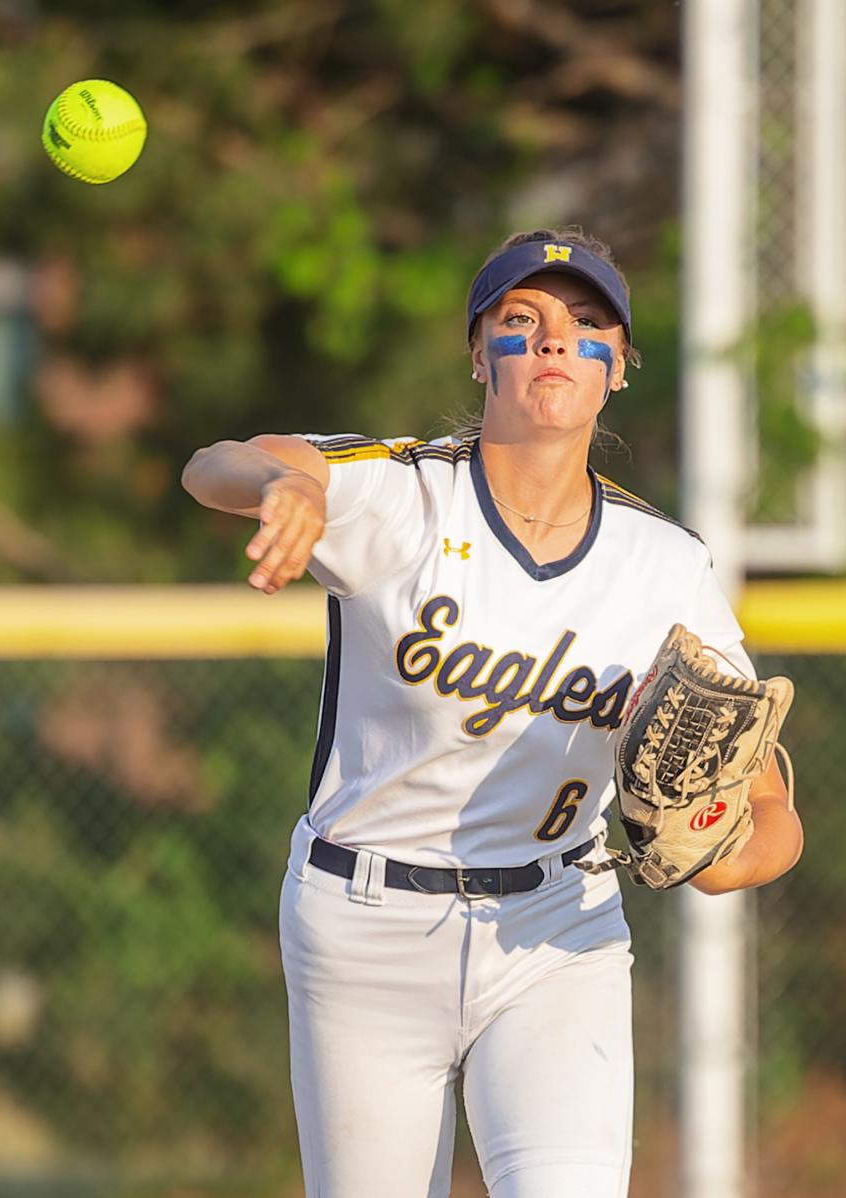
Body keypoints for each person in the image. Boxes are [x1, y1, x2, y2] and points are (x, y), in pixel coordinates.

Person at [181, 228, 803, 1198]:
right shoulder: (405, 499)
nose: (557, 338)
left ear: (617, 370)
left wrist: (729, 851)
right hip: (364, 925)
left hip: (558, 925)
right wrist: (291, 480)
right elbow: (214, 462)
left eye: (587, 322)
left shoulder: (663, 565)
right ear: (480, 353)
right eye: (525, 319)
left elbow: (772, 813)